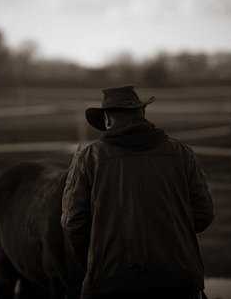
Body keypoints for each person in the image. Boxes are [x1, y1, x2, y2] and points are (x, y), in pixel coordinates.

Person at [61, 86, 214, 299]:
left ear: (107, 120)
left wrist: (99, 257)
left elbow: (73, 223)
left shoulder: (89, 158)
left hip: (111, 282)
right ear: (142, 114)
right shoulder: (181, 153)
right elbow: (204, 215)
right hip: (179, 280)